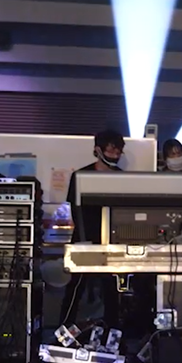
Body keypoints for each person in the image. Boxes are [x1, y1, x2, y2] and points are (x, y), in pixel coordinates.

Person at [59, 130, 126, 327]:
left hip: (112, 241)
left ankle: (112, 330)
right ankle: (64, 328)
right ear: (98, 150)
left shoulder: (123, 177)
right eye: (111, 151)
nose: (115, 155)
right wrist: (83, 239)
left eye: (118, 152)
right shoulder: (81, 175)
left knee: (111, 287)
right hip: (84, 238)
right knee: (76, 285)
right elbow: (75, 208)